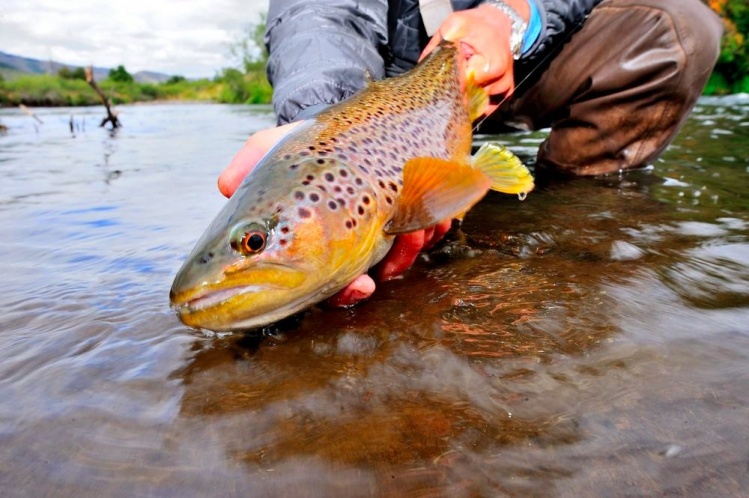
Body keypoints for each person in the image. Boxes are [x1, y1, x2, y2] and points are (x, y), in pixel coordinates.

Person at [218, 0, 722, 306]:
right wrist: (321, 121)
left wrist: (510, 17)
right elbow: (318, 15)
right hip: (379, 89)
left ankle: (577, 215)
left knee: (680, 29)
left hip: (521, 54)